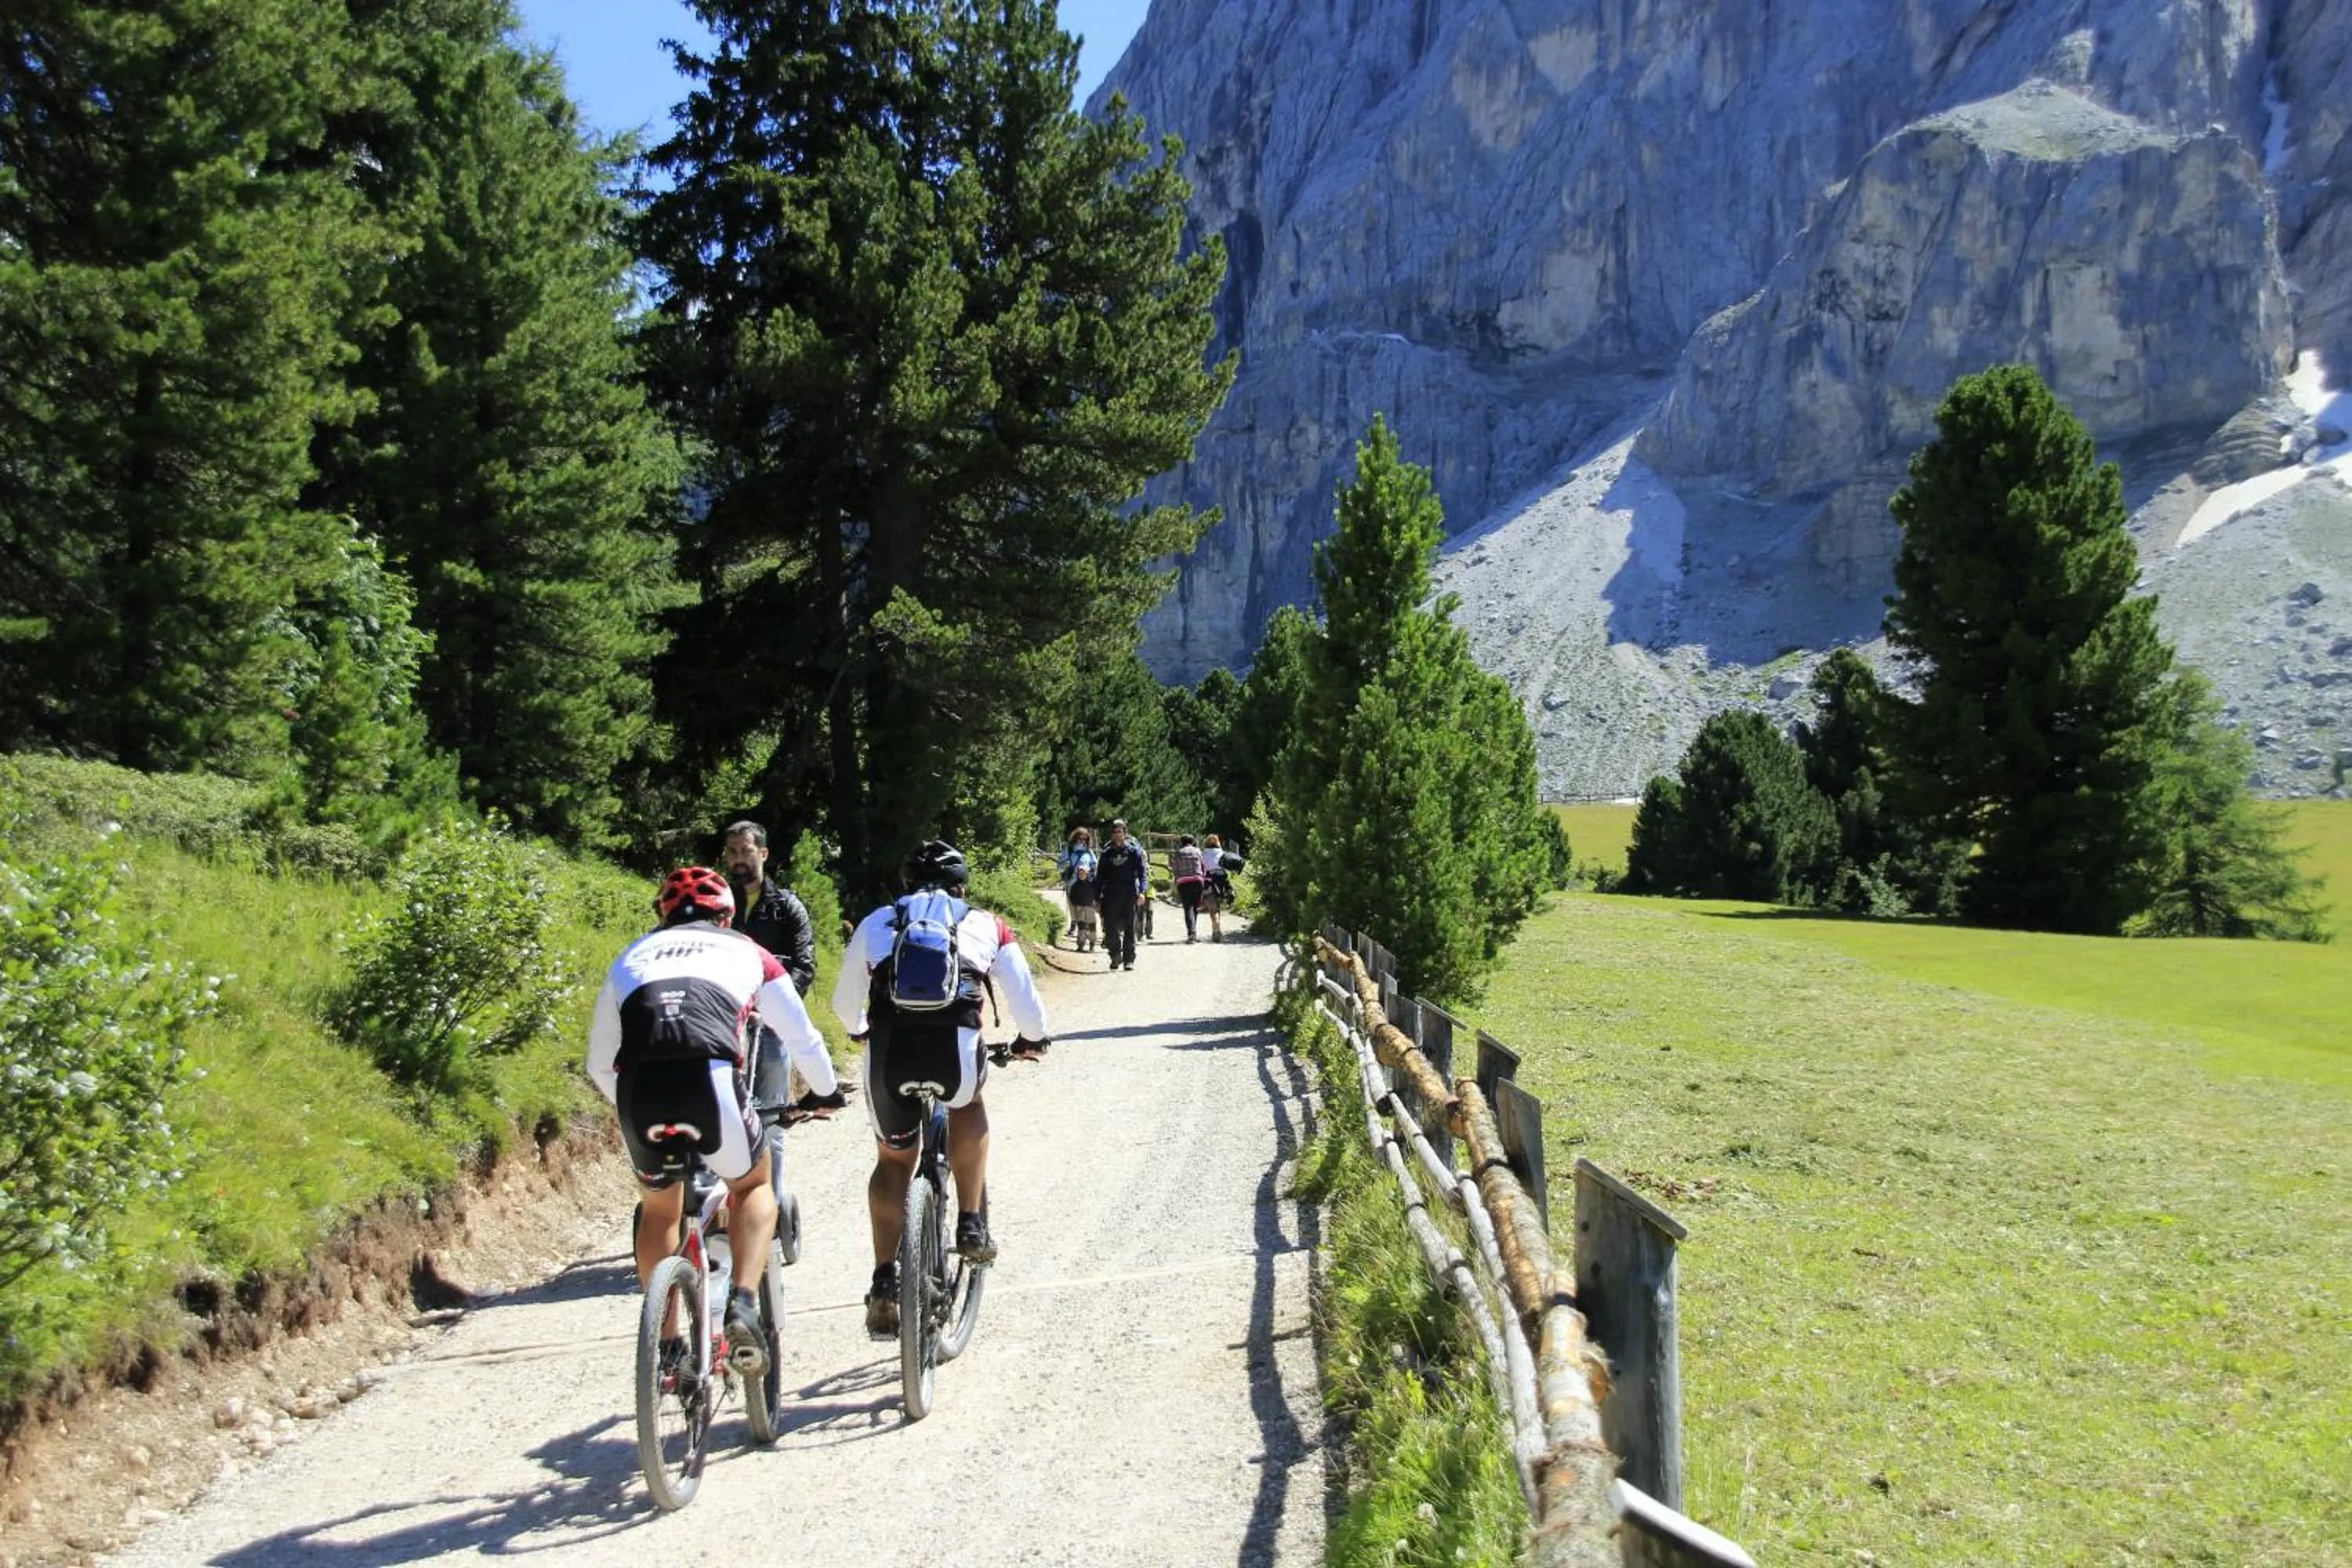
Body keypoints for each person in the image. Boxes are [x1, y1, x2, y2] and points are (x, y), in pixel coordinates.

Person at [588, 867, 826, 1380]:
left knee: (659, 1207)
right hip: (710, 1081)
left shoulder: (630, 958)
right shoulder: (747, 951)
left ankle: (669, 1341)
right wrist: (825, 1091)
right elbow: (802, 1037)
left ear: (663, 915)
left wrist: (630, 1109)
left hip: (641, 1092)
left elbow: (598, 1062)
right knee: (753, 1183)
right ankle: (741, 1300)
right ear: (727, 915)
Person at [832, 840, 1050, 1337]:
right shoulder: (985, 924)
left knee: (892, 1160)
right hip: (953, 1049)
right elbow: (1025, 1000)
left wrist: (861, 1030)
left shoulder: (877, 923)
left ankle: (885, 1280)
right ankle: (971, 1223)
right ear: (962, 886)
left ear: (906, 886)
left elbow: (845, 1002)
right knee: (967, 1105)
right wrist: (1031, 1041)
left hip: (890, 1052)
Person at [718, 820, 845, 1116]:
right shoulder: (716, 906)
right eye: (732, 852)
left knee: (771, 1118)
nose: (738, 859)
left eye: (746, 851)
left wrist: (777, 1006)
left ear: (763, 853)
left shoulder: (787, 906)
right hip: (725, 1020)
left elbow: (805, 964)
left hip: (773, 1024)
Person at [1094, 818, 1151, 971]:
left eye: (1121, 832)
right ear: (1112, 835)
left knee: (1129, 928)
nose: (1118, 835)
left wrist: (1142, 892)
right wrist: (1096, 897)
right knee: (1110, 927)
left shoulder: (1134, 852)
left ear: (1125, 834)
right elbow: (1099, 877)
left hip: (1129, 893)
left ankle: (1129, 959)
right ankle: (1115, 955)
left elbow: (1143, 874)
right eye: (1115, 832)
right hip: (1111, 894)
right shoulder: (1107, 854)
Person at [1169, 833, 1208, 942]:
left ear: (1182, 842)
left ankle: (1192, 933)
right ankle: (1193, 933)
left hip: (1184, 882)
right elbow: (1203, 866)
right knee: (1195, 907)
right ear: (1192, 842)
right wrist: (1203, 878)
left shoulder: (1178, 853)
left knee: (1188, 908)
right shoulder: (1198, 851)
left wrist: (1176, 882)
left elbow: (1175, 869)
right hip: (1197, 881)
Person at [1200, 833, 1232, 942]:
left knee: (1212, 907)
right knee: (1217, 906)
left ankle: (1215, 926)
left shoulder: (1203, 853)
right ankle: (1217, 927)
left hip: (1209, 880)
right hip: (1221, 880)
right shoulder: (1222, 852)